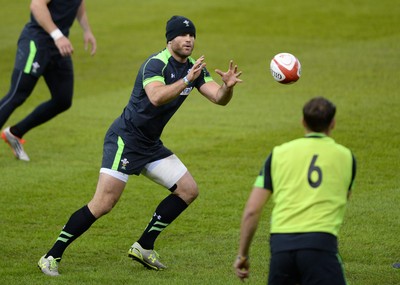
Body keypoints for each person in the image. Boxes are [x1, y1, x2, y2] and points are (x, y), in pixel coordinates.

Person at [38, 15, 242, 276]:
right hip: (125, 139)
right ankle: (51, 256)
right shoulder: (156, 64)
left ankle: (144, 246)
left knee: (188, 190)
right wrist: (187, 81)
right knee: (103, 204)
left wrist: (227, 87)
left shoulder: (194, 68)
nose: (189, 39)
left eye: (192, 35)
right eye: (183, 35)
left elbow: (218, 98)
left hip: (150, 144)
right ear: (170, 38)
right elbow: (156, 97)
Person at [234, 97, 356, 284]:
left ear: (302, 122)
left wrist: (242, 255)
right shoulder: (346, 157)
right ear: (333, 123)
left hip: (281, 249)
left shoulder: (278, 154)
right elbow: (344, 197)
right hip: (320, 245)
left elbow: (252, 211)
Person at [0, 0, 97, 161]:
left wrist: (86, 30)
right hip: (37, 42)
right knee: (17, 94)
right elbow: (37, 5)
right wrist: (58, 36)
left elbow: (78, 3)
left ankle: (15, 133)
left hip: (58, 46)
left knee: (63, 99)